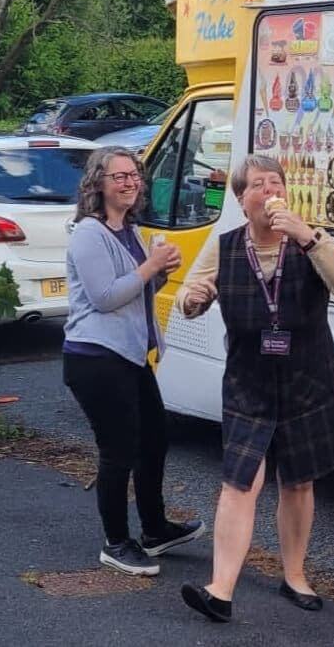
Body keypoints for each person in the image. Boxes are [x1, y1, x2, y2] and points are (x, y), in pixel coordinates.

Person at [176, 154, 334, 622]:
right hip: (249, 383)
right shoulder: (225, 247)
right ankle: (220, 590)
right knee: (240, 483)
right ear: (242, 200)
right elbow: (188, 294)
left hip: (307, 379)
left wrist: (307, 236)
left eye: (274, 182)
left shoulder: (311, 239)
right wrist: (192, 298)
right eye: (257, 184)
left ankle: (295, 575)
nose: (268, 190)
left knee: (298, 482)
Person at [63, 146, 205, 577]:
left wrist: (159, 270)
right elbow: (105, 298)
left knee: (154, 440)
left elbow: (134, 288)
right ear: (98, 185)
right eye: (118, 176)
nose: (129, 183)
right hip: (95, 358)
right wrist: (150, 268)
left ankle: (156, 529)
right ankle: (115, 542)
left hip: (129, 356)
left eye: (134, 176)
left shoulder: (131, 230)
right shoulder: (89, 233)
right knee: (119, 450)